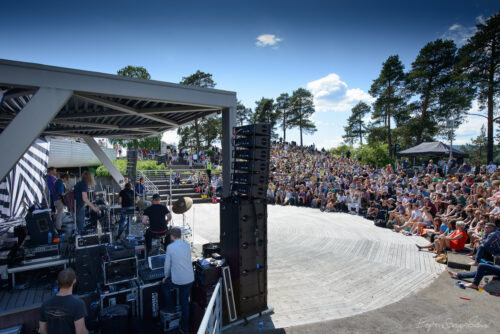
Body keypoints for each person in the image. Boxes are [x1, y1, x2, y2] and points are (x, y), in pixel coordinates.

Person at [162, 227, 194, 334]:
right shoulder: (187, 246)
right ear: (180, 235)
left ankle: (171, 308)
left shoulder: (170, 247)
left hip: (178, 280)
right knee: (185, 303)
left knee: (165, 285)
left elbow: (167, 266)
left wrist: (166, 277)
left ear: (172, 236)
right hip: (190, 278)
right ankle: (185, 328)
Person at [39, 268, 88, 334]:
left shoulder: (45, 304)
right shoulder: (78, 304)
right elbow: (81, 332)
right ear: (74, 281)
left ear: (57, 282)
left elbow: (42, 331)